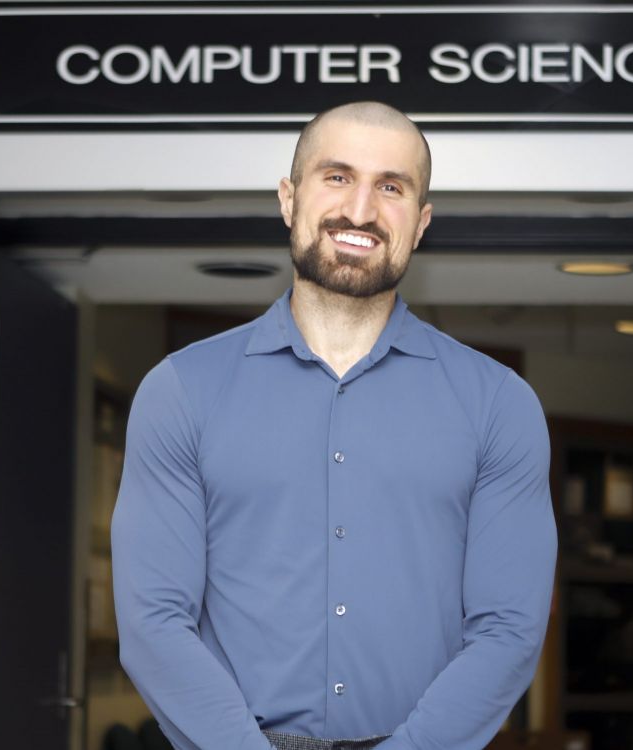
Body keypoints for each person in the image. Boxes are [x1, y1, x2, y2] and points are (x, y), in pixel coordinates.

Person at [111, 101, 557, 750]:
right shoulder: (181, 392)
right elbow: (153, 623)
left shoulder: (499, 405)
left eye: (392, 187)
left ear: (422, 221)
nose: (361, 211)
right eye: (337, 177)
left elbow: (509, 631)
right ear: (289, 199)